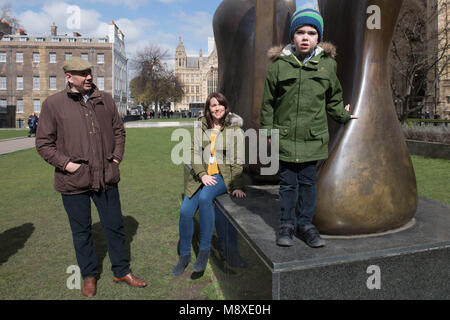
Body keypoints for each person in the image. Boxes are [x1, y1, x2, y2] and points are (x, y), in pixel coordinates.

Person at [35, 57, 147, 297]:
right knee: (82, 232)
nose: (88, 77)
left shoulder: (104, 99)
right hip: (72, 180)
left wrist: (116, 158)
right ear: (68, 77)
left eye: (89, 72)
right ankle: (89, 276)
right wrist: (67, 164)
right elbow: (44, 143)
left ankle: (121, 270)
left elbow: (119, 131)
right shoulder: (53, 104)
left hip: (106, 177)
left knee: (115, 226)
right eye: (82, 73)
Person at [260, 8, 358, 248]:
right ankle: (286, 224)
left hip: (313, 139)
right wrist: (267, 132)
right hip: (285, 138)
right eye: (300, 32)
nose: (305, 37)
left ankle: (305, 224)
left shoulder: (327, 66)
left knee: (307, 184)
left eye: (312, 33)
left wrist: (344, 116)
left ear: (318, 37)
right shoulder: (277, 67)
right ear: (292, 36)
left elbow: (333, 99)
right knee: (287, 184)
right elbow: (267, 105)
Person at [172, 92, 246, 275]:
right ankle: (184, 256)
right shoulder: (201, 127)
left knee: (206, 197)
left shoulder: (234, 129)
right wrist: (202, 174)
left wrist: (237, 186)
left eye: (220, 105)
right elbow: (194, 153)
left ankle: (204, 251)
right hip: (201, 176)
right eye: (213, 105)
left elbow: (238, 160)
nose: (217, 108)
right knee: (185, 211)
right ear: (208, 109)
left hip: (222, 177)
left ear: (225, 107)